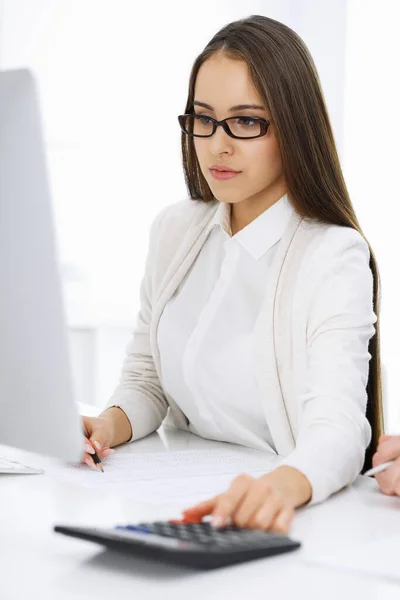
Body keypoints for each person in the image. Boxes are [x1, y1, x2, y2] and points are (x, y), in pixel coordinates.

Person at [81, 15, 383, 533]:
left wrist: (277, 487)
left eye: (246, 122)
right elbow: (148, 382)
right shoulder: (176, 229)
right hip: (165, 495)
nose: (217, 145)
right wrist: (106, 425)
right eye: (203, 118)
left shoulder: (333, 255)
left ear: (292, 125)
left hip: (275, 514)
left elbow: (338, 429)